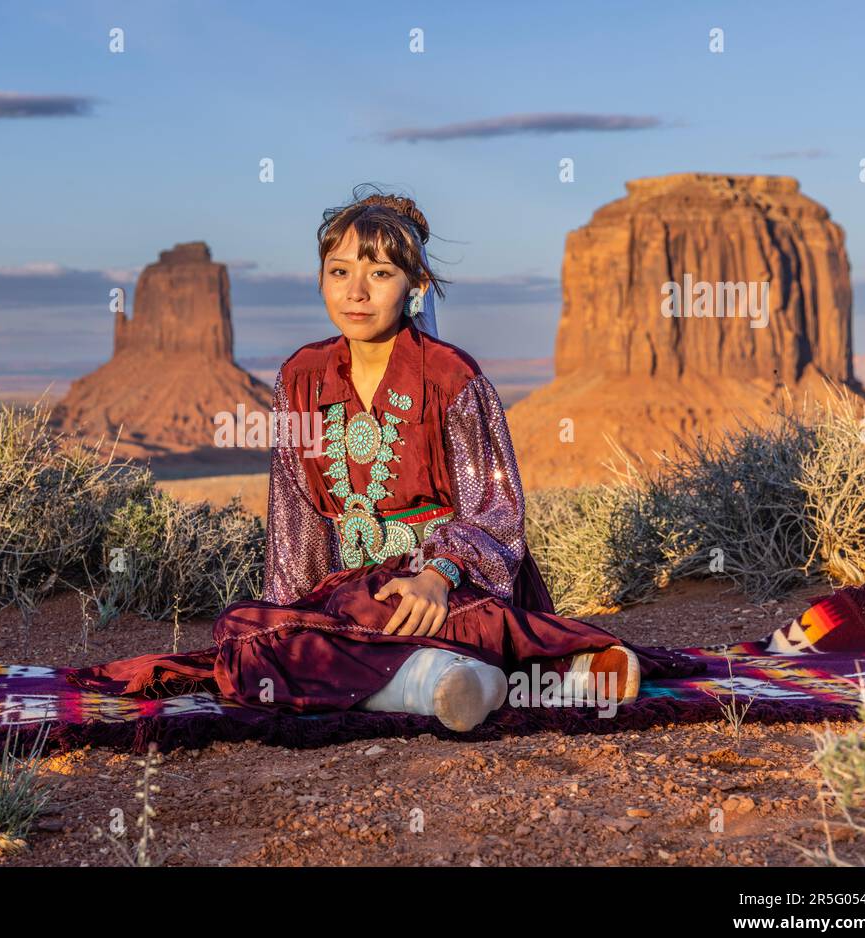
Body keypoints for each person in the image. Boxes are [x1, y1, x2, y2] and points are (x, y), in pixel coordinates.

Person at [65, 187, 642, 732]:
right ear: (320, 280)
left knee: (463, 623)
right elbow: (296, 514)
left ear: (415, 286)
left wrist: (438, 577)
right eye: (339, 272)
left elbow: (496, 511)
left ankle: (470, 674)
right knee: (248, 636)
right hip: (352, 595)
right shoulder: (301, 377)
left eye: (380, 274)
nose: (356, 293)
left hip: (447, 590)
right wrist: (298, 619)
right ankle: (452, 681)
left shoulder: (453, 377)